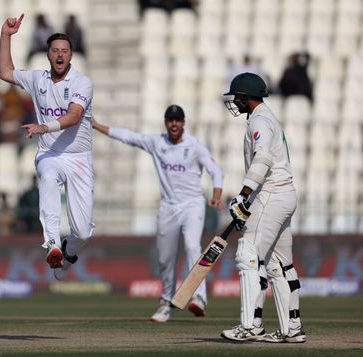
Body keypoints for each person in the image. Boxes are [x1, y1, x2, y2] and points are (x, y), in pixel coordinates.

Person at [92, 105, 225, 322]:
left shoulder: (194, 146)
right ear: (166, 122)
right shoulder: (157, 142)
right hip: (168, 207)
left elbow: (216, 171)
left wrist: (217, 195)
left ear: (184, 122)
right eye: (170, 120)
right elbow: (129, 137)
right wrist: (97, 126)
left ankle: (199, 298)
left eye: (178, 120)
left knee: (193, 247)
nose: (174, 124)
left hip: (192, 204)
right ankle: (166, 303)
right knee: (165, 258)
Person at [0, 15, 95, 280]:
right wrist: (6, 35)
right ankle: (52, 244)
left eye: (65, 51)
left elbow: (74, 116)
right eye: (55, 51)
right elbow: (5, 72)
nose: (60, 55)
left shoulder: (82, 82)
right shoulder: (37, 79)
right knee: (48, 177)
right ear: (48, 54)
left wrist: (45, 126)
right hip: (50, 154)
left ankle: (66, 252)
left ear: (71, 55)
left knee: (83, 231)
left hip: (79, 158)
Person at [221, 72, 306, 343]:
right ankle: (291, 329)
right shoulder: (268, 117)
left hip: (271, 194)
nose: (235, 101)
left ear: (247, 96)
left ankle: (250, 326)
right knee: (279, 265)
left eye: (238, 97)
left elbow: (264, 158)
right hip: (286, 195)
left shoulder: (259, 120)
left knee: (248, 254)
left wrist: (244, 194)